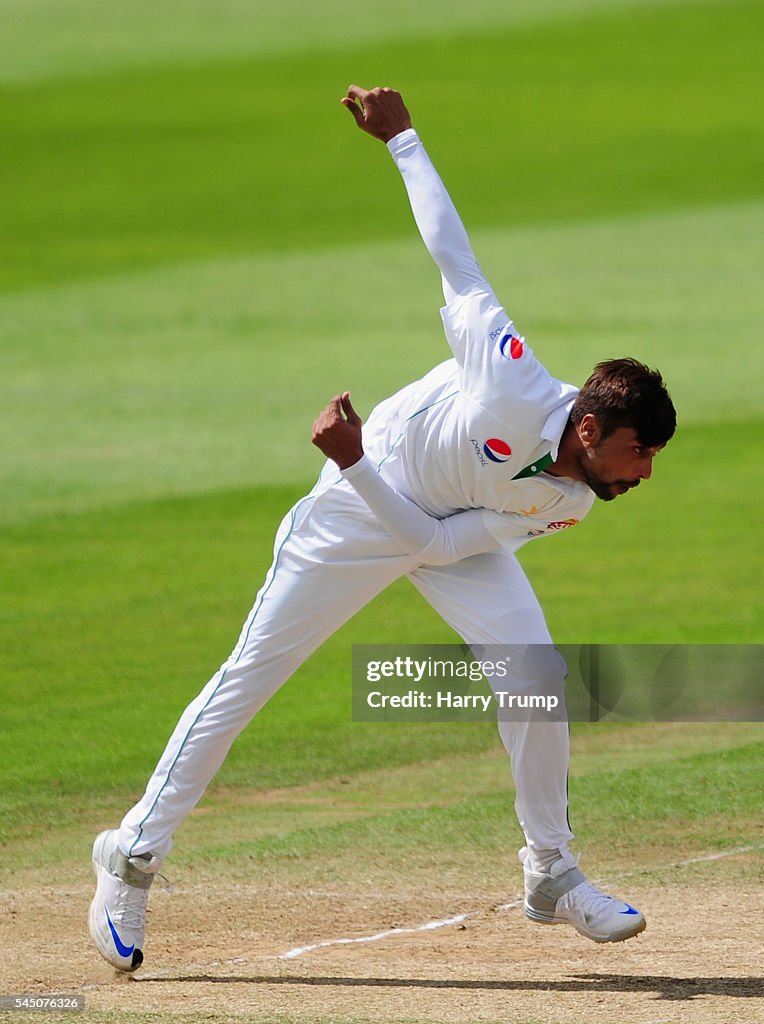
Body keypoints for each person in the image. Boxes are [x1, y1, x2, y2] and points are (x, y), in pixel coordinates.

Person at [89, 85, 676, 971]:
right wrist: (403, 139)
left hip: (421, 514)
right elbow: (457, 261)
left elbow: (437, 547)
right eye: (640, 451)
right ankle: (129, 852)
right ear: (590, 429)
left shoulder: (571, 499)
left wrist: (353, 454)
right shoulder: (510, 380)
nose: (645, 473)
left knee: (534, 671)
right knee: (252, 676)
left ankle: (550, 871)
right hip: (353, 510)